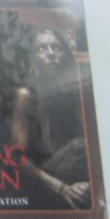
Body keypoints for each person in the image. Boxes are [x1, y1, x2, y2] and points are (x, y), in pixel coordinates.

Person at [11, 28, 89, 209]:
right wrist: (62, 188)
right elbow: (17, 158)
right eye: (42, 48)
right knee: (81, 145)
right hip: (44, 179)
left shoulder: (74, 91)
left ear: (64, 53)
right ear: (33, 57)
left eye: (56, 47)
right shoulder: (26, 95)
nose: (51, 54)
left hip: (77, 173)